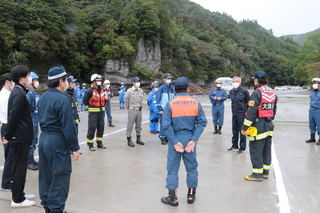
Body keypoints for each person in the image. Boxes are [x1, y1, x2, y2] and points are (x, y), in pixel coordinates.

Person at [38, 66, 80, 213]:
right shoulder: (63, 99)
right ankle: (57, 208)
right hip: (57, 140)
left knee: (46, 175)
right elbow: (68, 126)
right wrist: (75, 147)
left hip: (44, 139)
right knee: (60, 177)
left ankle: (47, 206)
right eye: (66, 80)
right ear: (61, 81)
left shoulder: (43, 97)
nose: (68, 82)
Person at [161, 77, 207, 206]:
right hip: (190, 138)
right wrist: (194, 140)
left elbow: (166, 125)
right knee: (192, 168)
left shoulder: (169, 104)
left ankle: (172, 198)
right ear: (188, 89)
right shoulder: (195, 103)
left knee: (172, 169)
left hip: (174, 138)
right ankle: (191, 196)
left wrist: (175, 142)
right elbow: (202, 122)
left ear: (175, 90)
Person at [3, 65, 36, 208]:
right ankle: (17, 199)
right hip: (19, 137)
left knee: (20, 167)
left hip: (22, 136)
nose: (30, 78)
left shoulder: (19, 91)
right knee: (18, 168)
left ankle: (20, 193)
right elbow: (13, 117)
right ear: (22, 78)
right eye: (28, 75)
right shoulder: (19, 93)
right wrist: (7, 135)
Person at [241, 71, 277, 181]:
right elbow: (274, 110)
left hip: (258, 125)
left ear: (256, 80)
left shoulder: (257, 93)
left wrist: (244, 127)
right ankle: (265, 173)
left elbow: (251, 111)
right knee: (266, 149)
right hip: (269, 124)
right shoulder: (272, 92)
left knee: (256, 149)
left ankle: (257, 174)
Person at [83, 74, 108, 151]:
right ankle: (90, 144)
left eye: (100, 80)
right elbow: (85, 101)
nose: (99, 82)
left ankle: (99, 143)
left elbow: (105, 99)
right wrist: (89, 109)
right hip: (93, 113)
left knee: (101, 127)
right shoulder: (89, 90)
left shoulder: (102, 90)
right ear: (93, 82)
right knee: (92, 127)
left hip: (101, 112)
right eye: (98, 80)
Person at [228, 76, 250, 154]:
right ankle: (234, 145)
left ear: (240, 82)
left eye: (236, 81)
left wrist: (247, 112)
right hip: (234, 113)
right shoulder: (231, 92)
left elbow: (249, 102)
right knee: (234, 130)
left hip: (242, 114)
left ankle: (242, 147)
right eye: (233, 81)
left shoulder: (244, 91)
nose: (235, 83)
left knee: (242, 131)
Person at [0, 73, 14, 192]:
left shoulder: (8, 94)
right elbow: (9, 116)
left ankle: (9, 180)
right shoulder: (4, 96)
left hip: (8, 127)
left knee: (12, 156)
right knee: (10, 156)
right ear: (7, 82)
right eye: (12, 81)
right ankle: (6, 183)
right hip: (8, 127)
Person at [124, 77, 145, 147]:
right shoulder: (129, 91)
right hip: (132, 109)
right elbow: (126, 101)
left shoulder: (141, 91)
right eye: (137, 81)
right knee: (130, 125)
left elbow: (141, 100)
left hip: (139, 109)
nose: (138, 83)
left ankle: (138, 138)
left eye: (139, 81)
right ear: (133, 82)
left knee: (138, 125)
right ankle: (129, 139)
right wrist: (129, 108)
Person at [156, 73, 175, 145]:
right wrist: (160, 109)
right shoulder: (161, 88)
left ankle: (168, 137)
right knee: (163, 124)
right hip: (163, 110)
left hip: (172, 110)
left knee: (170, 124)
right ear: (164, 79)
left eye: (170, 78)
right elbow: (157, 100)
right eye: (168, 78)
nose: (169, 80)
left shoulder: (173, 88)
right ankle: (162, 137)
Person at [26, 71, 40, 170]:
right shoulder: (29, 93)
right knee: (31, 139)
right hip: (31, 118)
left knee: (34, 139)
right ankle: (28, 161)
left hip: (35, 118)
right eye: (35, 80)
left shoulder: (34, 93)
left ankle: (32, 159)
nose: (37, 82)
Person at [306, 78, 320, 144]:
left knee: (319, 125)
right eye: (314, 83)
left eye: (316, 83)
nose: (314, 85)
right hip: (311, 110)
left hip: (318, 110)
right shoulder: (312, 92)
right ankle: (312, 138)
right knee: (312, 125)